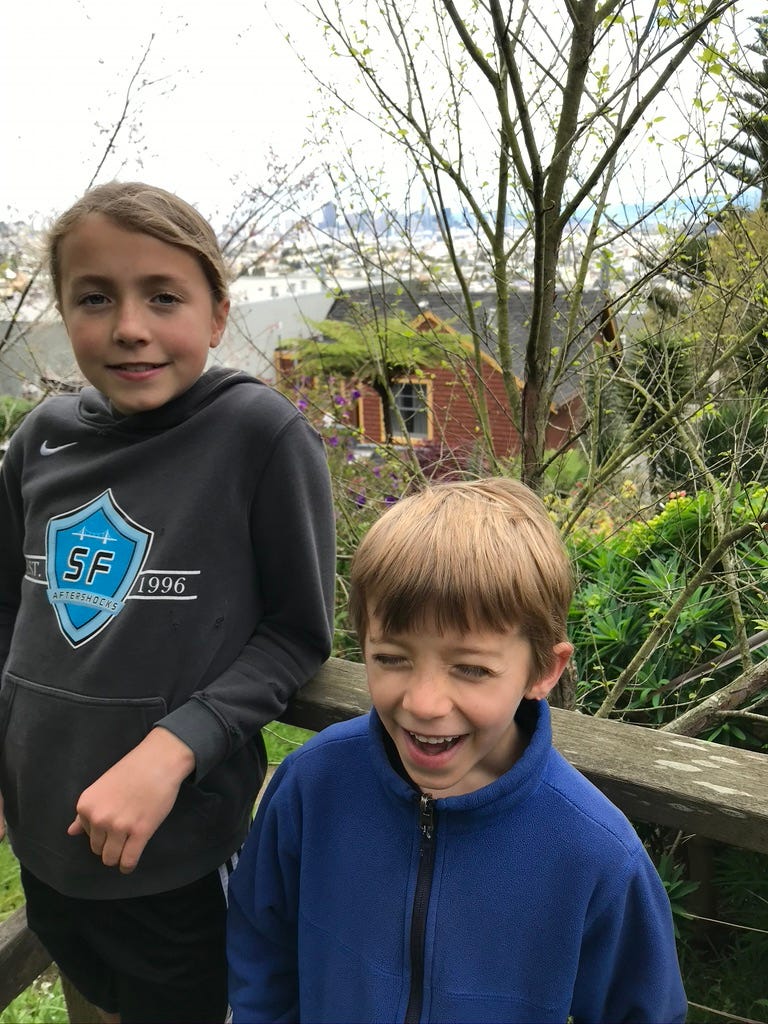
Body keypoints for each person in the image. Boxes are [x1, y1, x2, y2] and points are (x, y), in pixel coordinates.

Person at [0, 181, 336, 1024]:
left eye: (163, 296)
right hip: (43, 845)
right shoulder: (41, 438)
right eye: (94, 298)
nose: (129, 327)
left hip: (175, 854)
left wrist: (173, 747)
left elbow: (297, 635)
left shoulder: (256, 437)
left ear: (218, 314)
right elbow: (9, 615)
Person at [227, 477, 688, 1024]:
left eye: (471, 668)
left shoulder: (597, 854)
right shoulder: (313, 784)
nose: (423, 703)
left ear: (543, 670)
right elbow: (261, 946)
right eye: (392, 658)